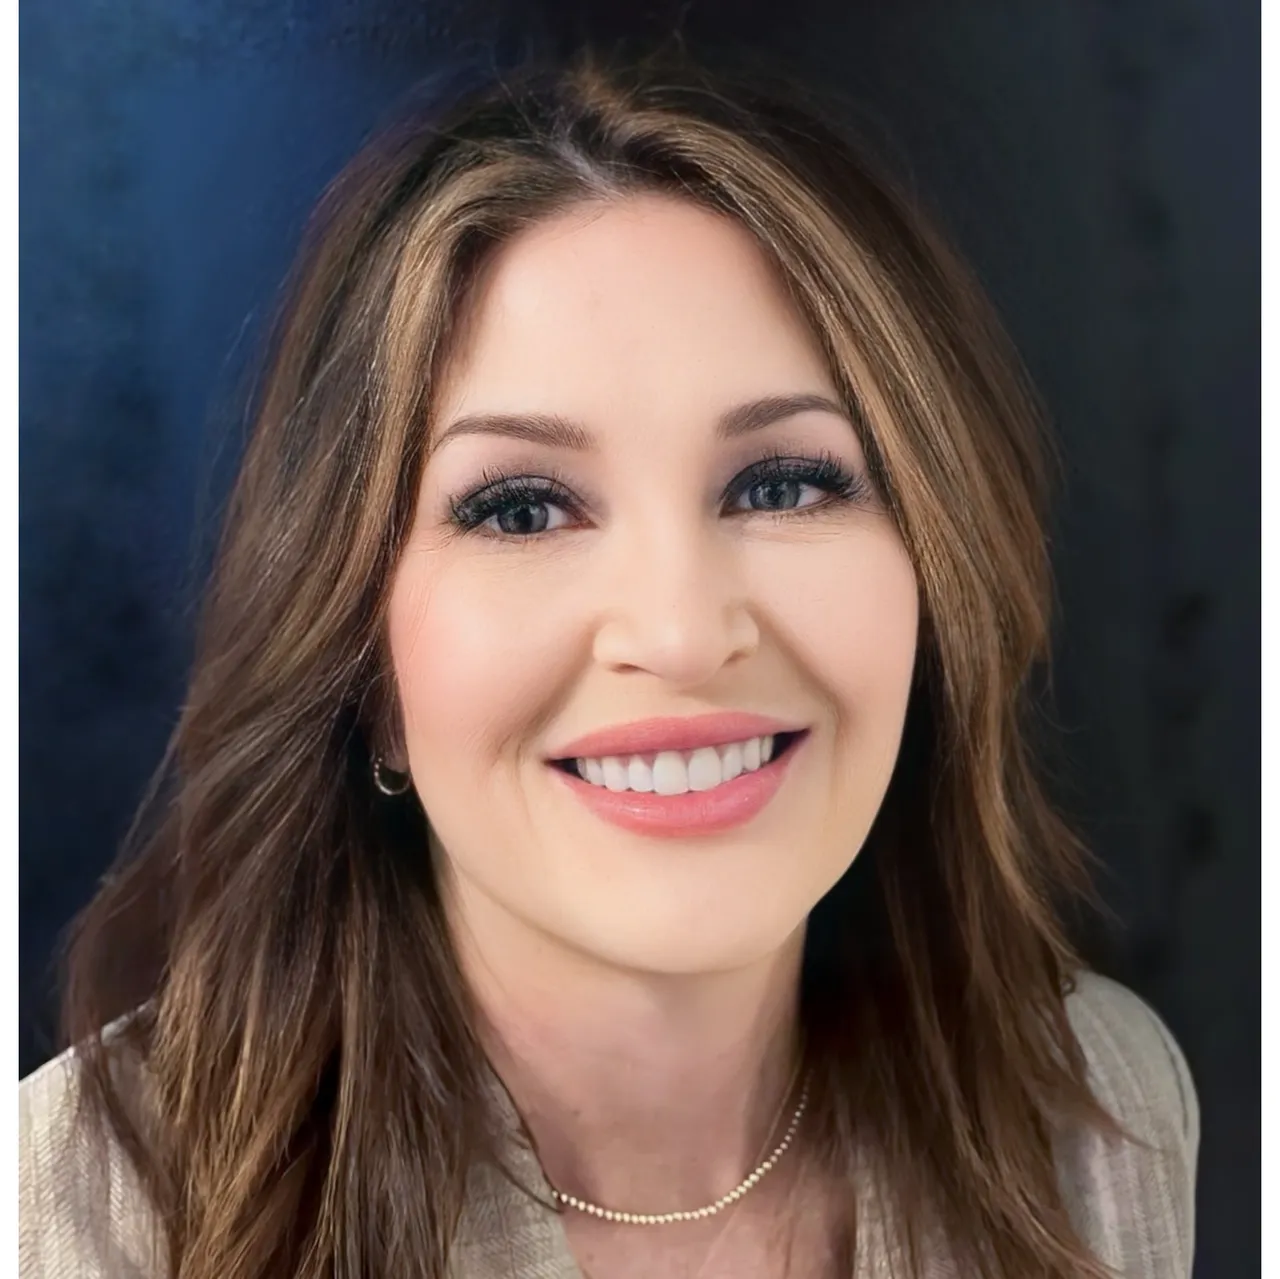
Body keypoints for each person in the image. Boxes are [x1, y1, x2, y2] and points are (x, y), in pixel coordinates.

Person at [18, 45, 1199, 1279]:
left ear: (935, 580)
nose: (681, 635)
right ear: (365, 674)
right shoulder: (74, 1215)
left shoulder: (1101, 1117)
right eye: (523, 509)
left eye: (784, 482)